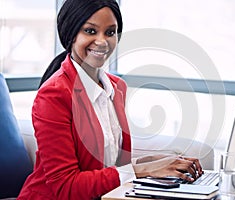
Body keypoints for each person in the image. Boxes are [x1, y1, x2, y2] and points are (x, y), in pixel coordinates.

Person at [17, 0, 203, 199]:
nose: (102, 41)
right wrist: (145, 169)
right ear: (71, 34)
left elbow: (110, 168)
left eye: (110, 32)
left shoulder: (116, 87)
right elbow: (66, 187)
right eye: (90, 31)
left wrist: (156, 163)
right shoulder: (53, 96)